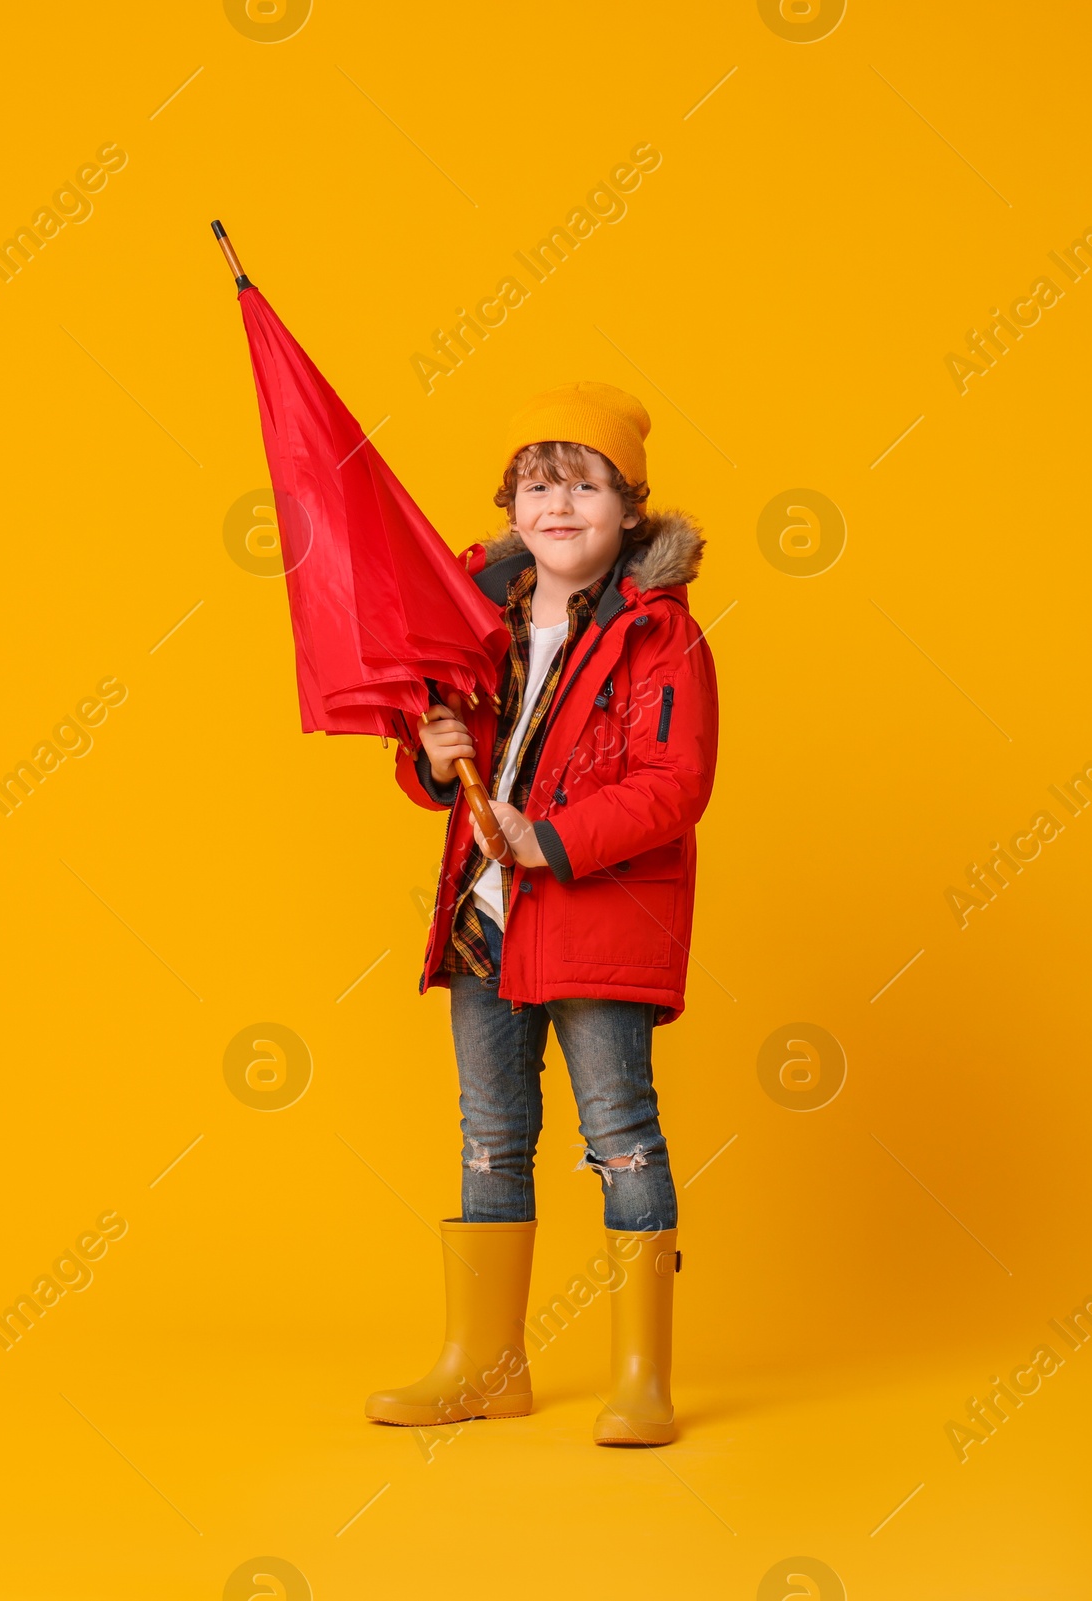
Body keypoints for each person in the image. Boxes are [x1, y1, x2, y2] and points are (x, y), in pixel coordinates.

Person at [365, 382, 718, 1446]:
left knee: (620, 1137)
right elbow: (446, 771)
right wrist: (428, 765)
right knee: (490, 1139)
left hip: (597, 919)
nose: (555, 502)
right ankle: (485, 1364)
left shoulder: (661, 636)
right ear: (510, 505)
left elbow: (674, 780)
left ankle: (641, 1377)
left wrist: (548, 839)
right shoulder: (474, 623)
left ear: (629, 505)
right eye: (534, 481)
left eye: (582, 481)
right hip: (484, 917)